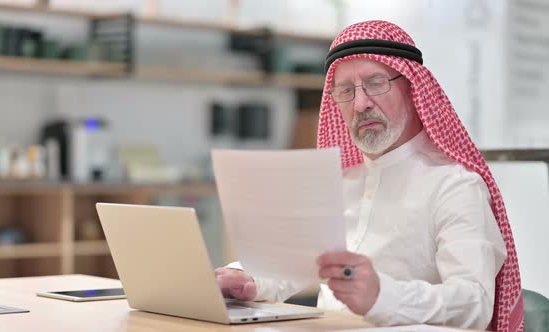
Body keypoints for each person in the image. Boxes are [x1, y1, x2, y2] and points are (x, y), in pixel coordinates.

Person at [215, 20, 524, 332]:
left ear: (412, 87)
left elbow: (474, 305)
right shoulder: (341, 182)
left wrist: (383, 297)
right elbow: (292, 265)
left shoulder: (455, 186)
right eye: (346, 90)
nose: (360, 104)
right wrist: (248, 279)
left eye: (376, 83)